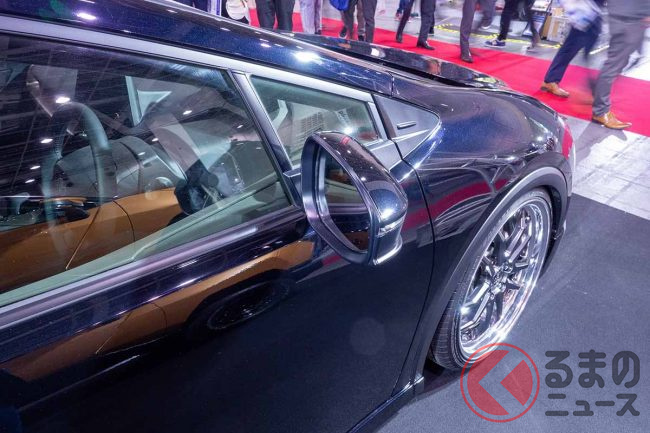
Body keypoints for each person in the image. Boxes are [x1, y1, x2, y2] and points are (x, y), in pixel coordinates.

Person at [592, 0, 650, 129]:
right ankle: (600, 111)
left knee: (618, 63)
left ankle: (599, 96)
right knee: (613, 66)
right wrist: (646, 12)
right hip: (629, 20)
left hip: (624, 17)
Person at [540, 0, 604, 98]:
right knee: (573, 46)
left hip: (590, 12)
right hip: (587, 11)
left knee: (575, 46)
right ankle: (551, 80)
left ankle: (551, 79)